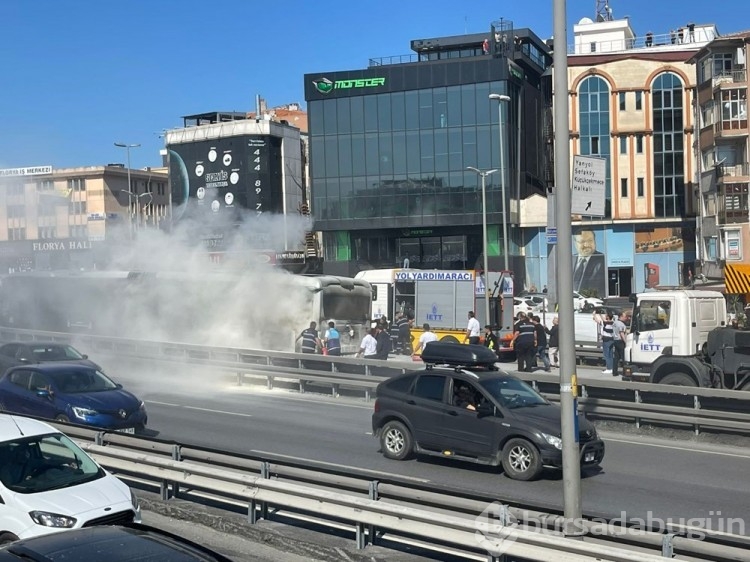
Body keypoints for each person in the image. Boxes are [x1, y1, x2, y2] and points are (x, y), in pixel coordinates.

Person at [573, 230, 606, 297]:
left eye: (590, 240)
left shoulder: (602, 259)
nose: (586, 245)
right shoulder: (569, 260)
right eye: (582, 241)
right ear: (575, 243)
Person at [611, 312, 628, 377]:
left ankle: (614, 372)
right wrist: (626, 342)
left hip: (615, 340)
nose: (626, 318)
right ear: (621, 316)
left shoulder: (615, 322)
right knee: (624, 357)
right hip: (620, 341)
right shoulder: (621, 324)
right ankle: (625, 372)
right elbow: (622, 334)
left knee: (616, 357)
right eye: (625, 316)